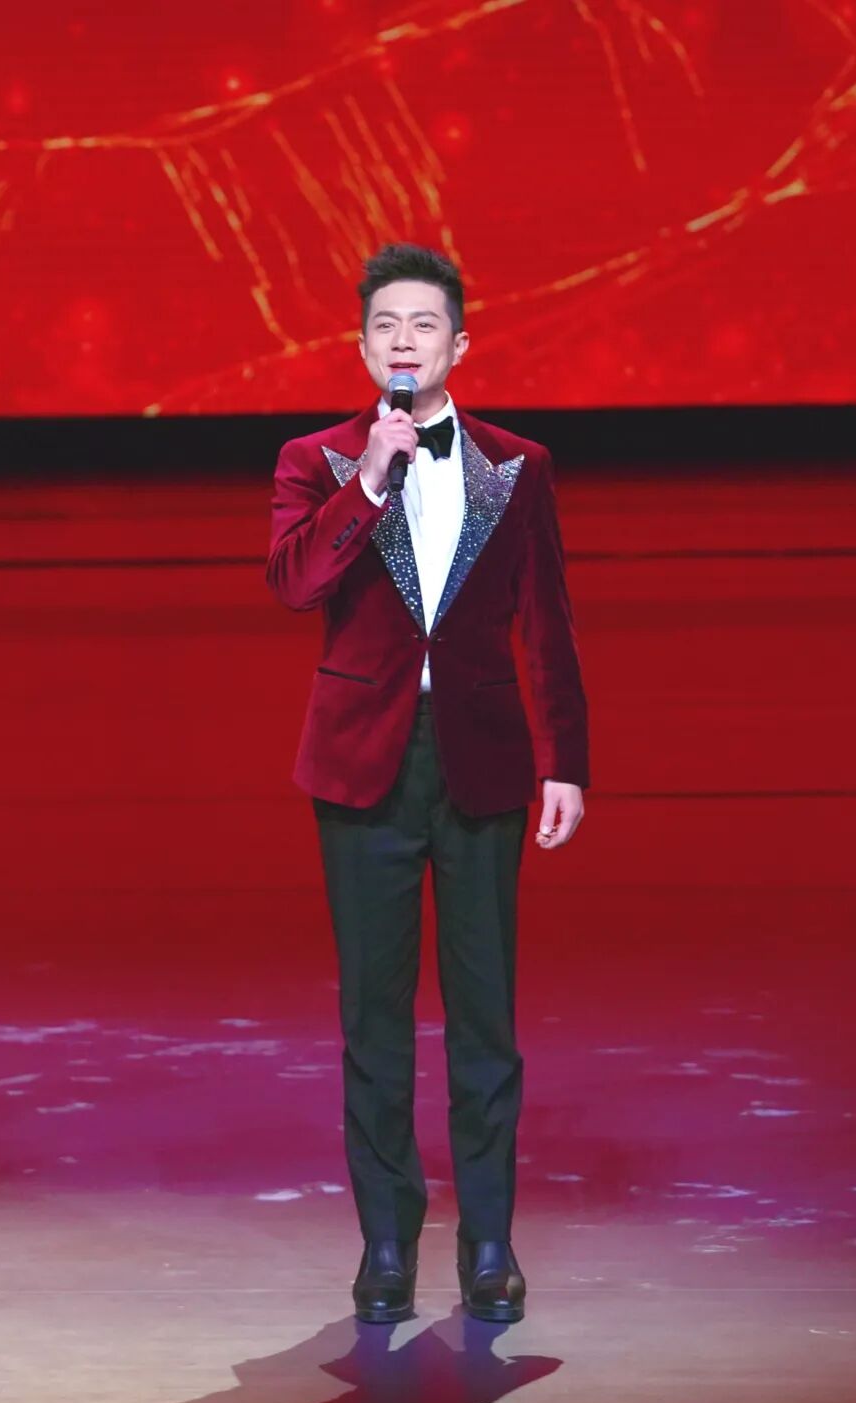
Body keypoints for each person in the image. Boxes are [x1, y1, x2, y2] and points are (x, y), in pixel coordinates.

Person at [266, 243, 589, 1324]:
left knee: (486, 1017)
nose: (404, 341)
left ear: (459, 344)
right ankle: (387, 1244)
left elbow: (547, 621)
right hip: (362, 765)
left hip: (481, 761)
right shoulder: (315, 460)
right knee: (375, 1023)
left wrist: (566, 760)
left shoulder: (517, 465)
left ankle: (489, 1243)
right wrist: (369, 477)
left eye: (424, 325)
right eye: (386, 326)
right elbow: (295, 582)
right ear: (363, 348)